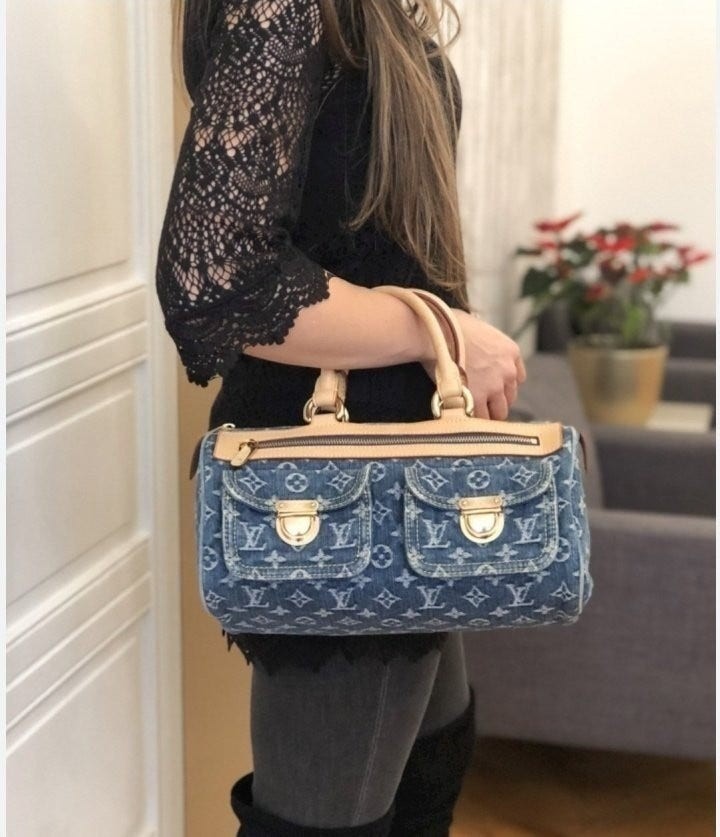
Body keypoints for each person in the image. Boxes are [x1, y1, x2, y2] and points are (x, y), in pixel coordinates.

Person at [155, 1, 526, 834]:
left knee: (429, 770)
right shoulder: (285, 7)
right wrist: (441, 331)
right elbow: (217, 280)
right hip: (335, 501)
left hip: (407, 472)